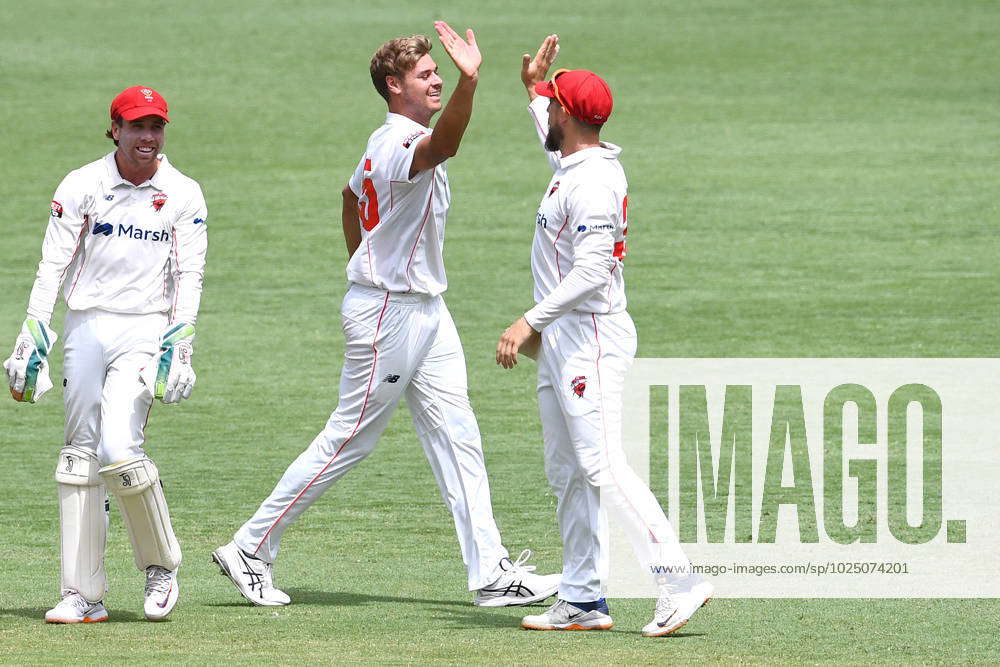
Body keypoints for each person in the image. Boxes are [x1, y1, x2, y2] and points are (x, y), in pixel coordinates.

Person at [212, 22, 559, 609]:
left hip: (425, 307)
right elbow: (443, 145)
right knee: (350, 437)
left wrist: (366, 258)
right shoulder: (397, 139)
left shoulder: (389, 141)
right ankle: (250, 546)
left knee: (459, 434)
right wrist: (471, 85)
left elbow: (350, 199)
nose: (437, 80)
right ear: (394, 86)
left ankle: (492, 573)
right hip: (389, 314)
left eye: (440, 74)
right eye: (427, 75)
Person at [496, 35, 713, 635]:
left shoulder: (591, 182)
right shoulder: (576, 164)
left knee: (602, 465)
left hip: (589, 335)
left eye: (554, 103)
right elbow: (553, 136)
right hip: (566, 338)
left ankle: (678, 580)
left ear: (569, 115)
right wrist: (535, 87)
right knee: (568, 469)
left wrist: (529, 320)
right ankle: (584, 598)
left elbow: (594, 272)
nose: (549, 111)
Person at [3, 85, 208, 623]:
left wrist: (179, 344)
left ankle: (161, 565)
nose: (148, 137)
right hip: (86, 326)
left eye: (156, 127)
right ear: (114, 129)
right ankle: (82, 594)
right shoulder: (82, 185)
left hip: (144, 329)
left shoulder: (183, 192)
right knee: (79, 457)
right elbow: (53, 265)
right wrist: (32, 335)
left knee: (120, 447)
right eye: (137, 126)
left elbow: (190, 273)